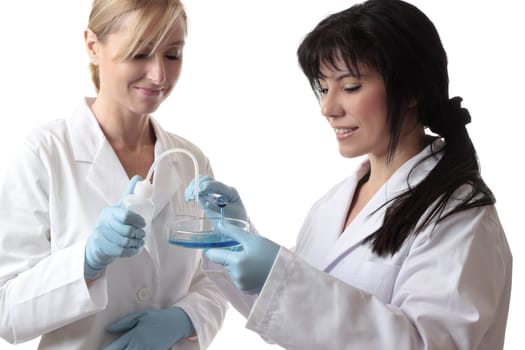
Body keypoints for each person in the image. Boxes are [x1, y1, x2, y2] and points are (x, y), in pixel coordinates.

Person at [185, 0, 513, 348]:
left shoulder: (459, 215)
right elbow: (295, 320)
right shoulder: (335, 203)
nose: (328, 108)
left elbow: (427, 344)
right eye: (324, 88)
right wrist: (238, 239)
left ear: (412, 90)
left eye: (351, 86)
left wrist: (278, 278)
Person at [0, 0, 227, 349]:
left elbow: (215, 279)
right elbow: (6, 311)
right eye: (140, 53)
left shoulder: (189, 160)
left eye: (172, 54)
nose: (159, 75)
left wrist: (186, 319)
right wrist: (87, 261)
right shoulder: (46, 153)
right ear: (93, 46)